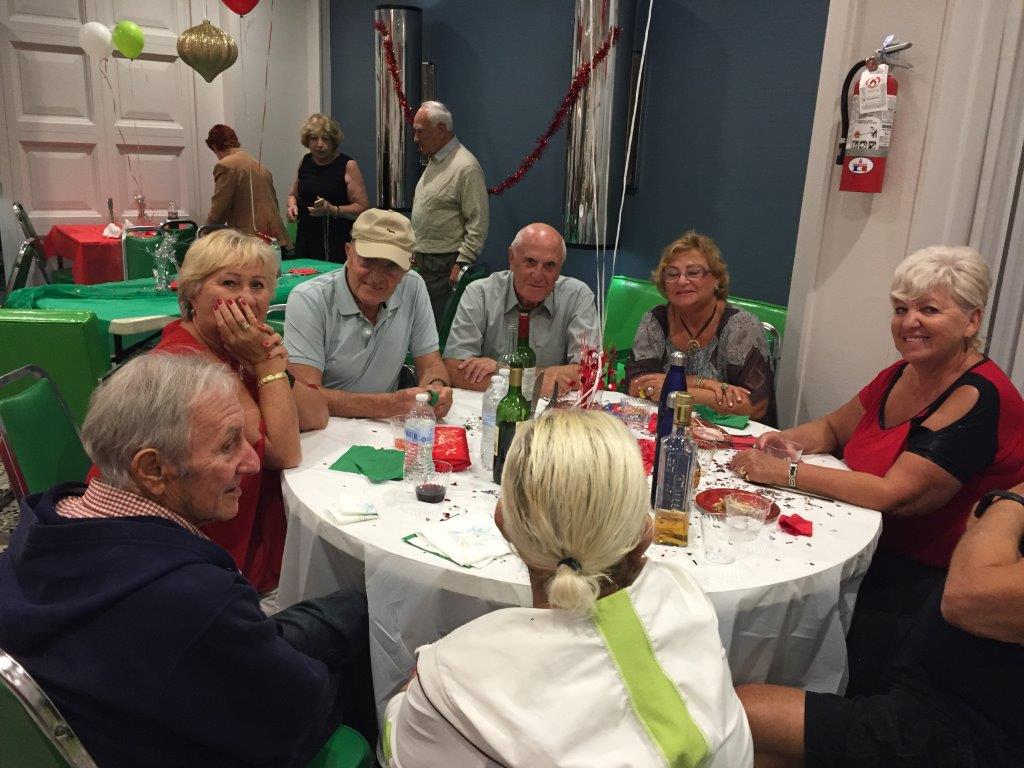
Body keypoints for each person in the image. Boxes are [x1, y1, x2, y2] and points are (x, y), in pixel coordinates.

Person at [0, 354, 375, 768]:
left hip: (121, 708)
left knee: (353, 610)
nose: (252, 462)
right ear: (152, 469)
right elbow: (295, 719)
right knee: (366, 649)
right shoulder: (193, 597)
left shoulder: (44, 524)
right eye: (229, 445)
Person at [383, 410, 753, 767]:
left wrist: (416, 687)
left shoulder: (452, 680)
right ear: (645, 534)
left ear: (503, 521)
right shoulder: (683, 598)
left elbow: (397, 746)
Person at [731, 245, 1024, 696]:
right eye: (901, 309)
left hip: (924, 583)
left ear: (972, 322)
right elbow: (832, 428)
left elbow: (896, 495)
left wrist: (782, 474)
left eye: (929, 310)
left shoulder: (979, 396)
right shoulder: (902, 372)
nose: (910, 322)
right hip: (868, 547)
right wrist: (775, 441)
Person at [736, 481, 1024, 768]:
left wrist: (1009, 503)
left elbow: (967, 594)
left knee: (740, 713)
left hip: (967, 725)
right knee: (808, 628)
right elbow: (978, 525)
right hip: (933, 663)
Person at [155, 229, 328, 593]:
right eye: (229, 283)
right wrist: (265, 363)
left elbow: (316, 416)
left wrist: (272, 364)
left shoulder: (239, 347)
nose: (246, 298)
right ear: (192, 293)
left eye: (258, 285)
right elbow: (283, 452)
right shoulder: (187, 361)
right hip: (201, 553)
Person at [285, 208, 454, 419]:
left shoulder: (413, 286)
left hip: (385, 427)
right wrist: (390, 405)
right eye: (368, 260)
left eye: (392, 266)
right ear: (349, 253)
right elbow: (305, 398)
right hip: (325, 426)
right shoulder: (309, 299)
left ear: (407, 269)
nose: (377, 276)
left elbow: (431, 363)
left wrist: (436, 387)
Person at [625, 231, 776, 424]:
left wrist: (675, 389)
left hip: (731, 434)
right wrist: (704, 384)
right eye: (672, 274)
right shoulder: (655, 321)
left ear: (716, 279)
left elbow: (756, 405)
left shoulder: (741, 326)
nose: (681, 281)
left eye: (693, 272)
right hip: (663, 425)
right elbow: (636, 386)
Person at [443, 222, 597, 394]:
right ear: (511, 258)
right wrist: (533, 383)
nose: (538, 275)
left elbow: (590, 372)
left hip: (553, 407)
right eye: (530, 262)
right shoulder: (480, 294)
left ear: (560, 268)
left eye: (549, 265)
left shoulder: (578, 297)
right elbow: (454, 369)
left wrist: (502, 370)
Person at [410, 100, 489, 328]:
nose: (415, 138)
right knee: (422, 327)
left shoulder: (466, 167)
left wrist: (462, 262)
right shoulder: (435, 161)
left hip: (445, 266)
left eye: (420, 131)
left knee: (434, 329)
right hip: (426, 261)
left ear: (441, 129)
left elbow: (478, 221)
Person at [287, 113, 368, 262]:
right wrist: (292, 206)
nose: (319, 144)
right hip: (306, 238)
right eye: (314, 138)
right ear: (307, 141)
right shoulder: (305, 161)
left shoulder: (348, 165)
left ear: (333, 141)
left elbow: (362, 208)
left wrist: (332, 209)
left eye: (325, 139)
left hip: (337, 241)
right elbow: (293, 195)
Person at [204, 124, 292, 249]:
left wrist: (203, 235)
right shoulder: (260, 167)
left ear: (214, 146)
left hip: (252, 241)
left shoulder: (226, 165)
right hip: (276, 238)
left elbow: (219, 209)